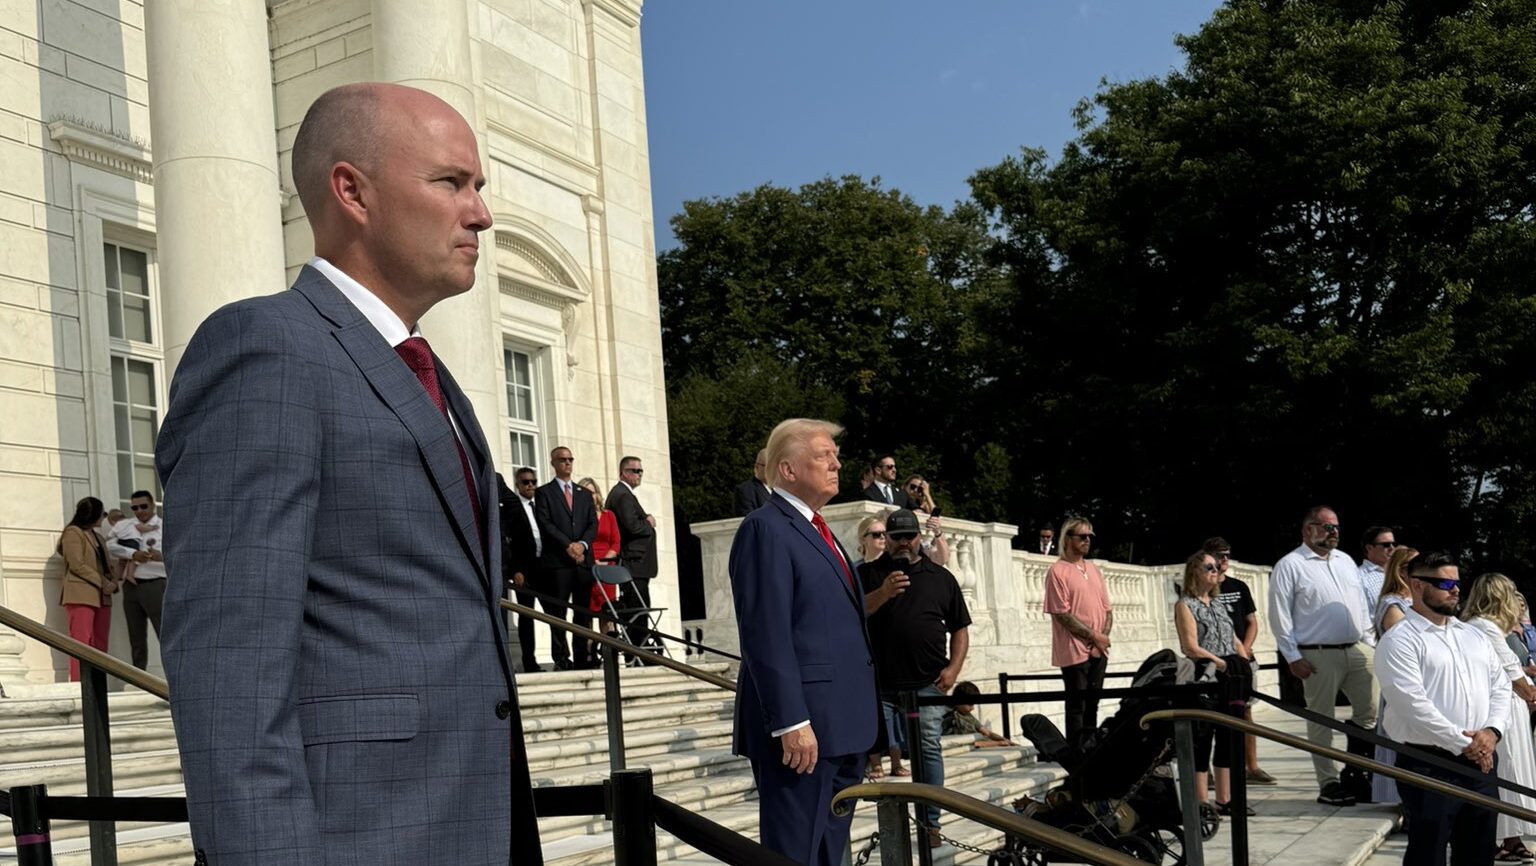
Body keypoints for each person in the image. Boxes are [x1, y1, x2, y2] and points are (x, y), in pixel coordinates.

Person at [156, 83, 535, 865]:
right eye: (452, 183)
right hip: (358, 836)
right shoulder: (265, 348)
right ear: (351, 191)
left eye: (480, 188)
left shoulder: (428, 373)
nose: (480, 214)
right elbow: (230, 668)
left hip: (470, 820)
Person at [729, 418, 879, 866]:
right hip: (803, 733)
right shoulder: (765, 528)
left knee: (829, 854)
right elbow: (765, 632)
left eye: (835, 454)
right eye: (823, 455)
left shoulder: (820, 529)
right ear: (788, 470)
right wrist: (791, 721)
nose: (836, 463)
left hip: (841, 727)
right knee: (794, 854)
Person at [1376, 551, 1508, 866]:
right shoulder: (1400, 640)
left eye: (1457, 582)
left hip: (1481, 762)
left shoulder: (1472, 635)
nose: (1455, 590)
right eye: (1445, 582)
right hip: (1428, 761)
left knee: (1478, 851)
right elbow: (1412, 705)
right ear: (1417, 585)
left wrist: (1491, 732)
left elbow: (1500, 686)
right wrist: (1468, 744)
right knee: (1428, 852)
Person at [860, 508, 972, 847]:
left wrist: (953, 669)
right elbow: (851, 613)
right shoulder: (867, 574)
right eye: (896, 537)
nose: (904, 543)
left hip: (927, 683)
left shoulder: (940, 577)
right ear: (887, 540)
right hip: (878, 684)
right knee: (866, 748)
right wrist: (883, 593)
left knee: (927, 750)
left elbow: (961, 628)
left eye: (910, 536)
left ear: (919, 537)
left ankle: (931, 824)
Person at [1267, 505, 1378, 806]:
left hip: (1356, 649)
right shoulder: (1290, 565)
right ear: (1307, 530)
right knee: (1321, 720)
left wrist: (1371, 646)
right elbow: (1279, 615)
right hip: (1316, 654)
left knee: (1371, 713)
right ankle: (1328, 783)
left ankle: (1358, 772)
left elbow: (1360, 607)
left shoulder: (1346, 561)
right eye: (1325, 526)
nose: (1333, 532)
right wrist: (1291, 656)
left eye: (1336, 527)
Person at [1459, 573, 1536, 862]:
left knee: (1508, 772)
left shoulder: (1476, 625)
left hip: (1499, 706)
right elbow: (1513, 672)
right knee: (1507, 771)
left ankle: (1508, 836)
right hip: (1501, 710)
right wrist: (1531, 695)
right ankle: (1499, 837)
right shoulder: (1486, 627)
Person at [1175, 550, 1252, 815]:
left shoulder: (1218, 604)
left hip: (1230, 676)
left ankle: (1224, 799)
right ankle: (1200, 802)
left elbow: (1234, 639)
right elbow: (1190, 647)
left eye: (1217, 567)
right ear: (1194, 571)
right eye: (1209, 567)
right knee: (1202, 738)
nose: (1215, 571)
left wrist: (1244, 663)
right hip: (1205, 677)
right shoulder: (1185, 605)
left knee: (1229, 737)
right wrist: (1220, 662)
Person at [1202, 537, 1275, 785]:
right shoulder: (1201, 588)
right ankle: (1208, 772)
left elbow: (1252, 622)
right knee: (1210, 714)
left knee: (1245, 711)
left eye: (1227, 555)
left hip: (1242, 658)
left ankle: (1251, 766)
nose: (1225, 560)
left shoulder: (1239, 586)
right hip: (1214, 660)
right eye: (1220, 555)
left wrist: (1244, 648)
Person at [1045, 516, 1113, 738]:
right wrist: (1094, 636)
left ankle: (1091, 753)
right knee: (1077, 707)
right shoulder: (1057, 571)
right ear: (1068, 539)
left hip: (1098, 648)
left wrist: (1101, 638)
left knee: (1093, 705)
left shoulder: (1093, 568)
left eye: (1089, 536)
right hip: (1074, 649)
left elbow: (1108, 610)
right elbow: (1062, 614)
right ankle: (1077, 759)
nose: (1087, 540)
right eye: (1082, 536)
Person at [534, 446, 597, 670]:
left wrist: (582, 545)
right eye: (562, 460)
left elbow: (592, 525)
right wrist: (568, 545)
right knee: (558, 612)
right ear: (553, 463)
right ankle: (561, 657)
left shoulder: (585, 494)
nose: (567, 463)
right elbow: (545, 523)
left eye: (570, 459)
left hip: (582, 563)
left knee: (582, 612)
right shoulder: (544, 493)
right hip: (558, 562)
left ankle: (582, 655)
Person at [1371, 545, 1419, 807]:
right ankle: (1402, 800)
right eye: (1412, 567)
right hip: (1402, 684)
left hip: (1423, 683)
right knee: (1401, 738)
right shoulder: (1392, 604)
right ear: (1399, 571)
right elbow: (1406, 641)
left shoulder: (1420, 602)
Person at [105, 490, 165, 671]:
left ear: (153, 505)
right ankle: (139, 677)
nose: (139, 511)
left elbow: (178, 553)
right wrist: (133, 553)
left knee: (163, 632)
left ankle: (172, 677)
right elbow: (110, 546)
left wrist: (160, 556)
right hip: (132, 585)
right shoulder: (126, 525)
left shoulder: (165, 526)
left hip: (155, 583)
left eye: (143, 506)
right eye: (134, 507)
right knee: (135, 635)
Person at [56, 496, 115, 681]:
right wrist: (102, 582)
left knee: (100, 644)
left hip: (102, 596)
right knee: (81, 643)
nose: (104, 518)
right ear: (93, 515)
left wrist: (113, 581)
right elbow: (76, 564)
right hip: (81, 594)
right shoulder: (73, 532)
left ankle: (98, 686)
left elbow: (106, 564)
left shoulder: (97, 536)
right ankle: (78, 685)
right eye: (103, 514)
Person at [607, 456, 658, 656]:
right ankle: (638, 653)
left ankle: (639, 651)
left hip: (637, 564)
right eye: (634, 471)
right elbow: (631, 526)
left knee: (639, 609)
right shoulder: (622, 495)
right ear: (623, 473)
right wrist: (649, 522)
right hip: (633, 564)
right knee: (637, 611)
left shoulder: (624, 494)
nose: (639, 475)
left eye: (640, 471)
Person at [500, 467, 545, 673]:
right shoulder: (513, 507)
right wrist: (516, 570)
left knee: (554, 614)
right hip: (523, 568)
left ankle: (562, 657)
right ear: (517, 485)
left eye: (533, 482)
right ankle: (529, 661)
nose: (530, 486)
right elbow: (512, 541)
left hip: (544, 567)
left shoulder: (541, 506)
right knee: (526, 615)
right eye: (525, 482)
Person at [580, 477, 622, 658]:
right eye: (586, 493)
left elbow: (616, 542)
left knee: (607, 612)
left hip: (607, 568)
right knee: (589, 614)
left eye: (593, 492)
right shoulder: (580, 519)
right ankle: (590, 652)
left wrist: (605, 560)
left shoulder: (608, 515)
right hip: (588, 566)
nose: (591, 496)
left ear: (598, 494)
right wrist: (591, 561)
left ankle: (609, 651)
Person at [943, 681, 1014, 748]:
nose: (972, 708)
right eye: (970, 704)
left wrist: (1005, 740)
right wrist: (999, 743)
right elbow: (971, 744)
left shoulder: (967, 715)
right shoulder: (953, 718)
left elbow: (987, 733)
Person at [1357, 526, 1397, 646]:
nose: (1392, 548)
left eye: (1393, 544)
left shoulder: (1400, 573)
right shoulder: (1359, 577)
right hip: (1379, 645)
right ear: (1369, 548)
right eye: (1386, 545)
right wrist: (1373, 647)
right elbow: (1362, 617)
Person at [735, 449, 772, 516]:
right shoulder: (745, 491)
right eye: (768, 466)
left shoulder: (781, 488)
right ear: (757, 467)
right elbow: (749, 520)